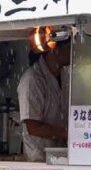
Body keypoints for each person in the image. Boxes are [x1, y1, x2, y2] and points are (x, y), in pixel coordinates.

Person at [17, 34, 73, 162]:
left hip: (61, 157)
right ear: (55, 49)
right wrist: (67, 133)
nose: (72, 51)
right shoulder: (32, 79)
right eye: (69, 47)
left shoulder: (66, 75)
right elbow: (33, 127)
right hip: (38, 158)